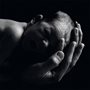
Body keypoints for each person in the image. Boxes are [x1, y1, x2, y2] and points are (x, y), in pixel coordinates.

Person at [0, 11, 84, 86]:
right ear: (36, 20)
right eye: (46, 33)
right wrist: (17, 77)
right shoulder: (14, 33)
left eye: (50, 48)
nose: (45, 44)